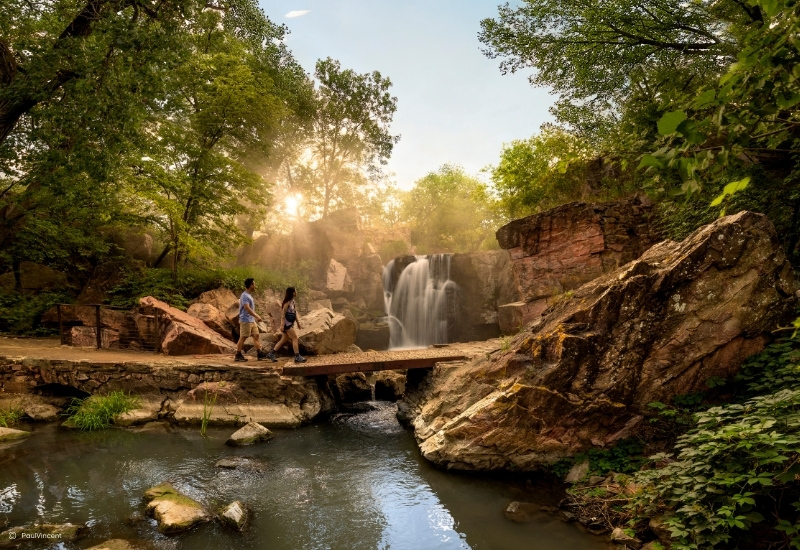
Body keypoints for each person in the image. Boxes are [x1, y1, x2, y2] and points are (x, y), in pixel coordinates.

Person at [268, 287, 307, 363]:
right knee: (295, 338)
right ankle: (297, 356)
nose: (296, 292)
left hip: (290, 323)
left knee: (284, 339)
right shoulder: (287, 303)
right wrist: (282, 325)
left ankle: (271, 353)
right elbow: (283, 314)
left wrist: (298, 323)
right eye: (295, 291)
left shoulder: (293, 302)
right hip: (286, 324)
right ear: (292, 293)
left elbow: (294, 313)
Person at [234, 278, 267, 362]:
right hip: (245, 320)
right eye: (254, 284)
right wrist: (256, 316)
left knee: (256, 335)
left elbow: (250, 309)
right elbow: (247, 308)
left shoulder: (249, 295)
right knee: (243, 337)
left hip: (251, 320)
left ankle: (259, 353)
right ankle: (238, 354)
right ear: (251, 285)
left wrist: (255, 317)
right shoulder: (244, 295)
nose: (255, 286)